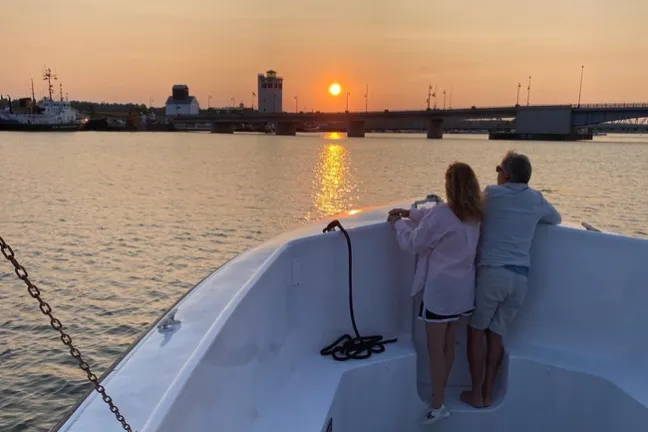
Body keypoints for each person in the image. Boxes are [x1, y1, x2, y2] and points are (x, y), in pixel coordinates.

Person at [460, 151, 561, 409]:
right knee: (497, 335)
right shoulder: (536, 199)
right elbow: (556, 219)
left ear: (505, 174)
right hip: (520, 278)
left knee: (476, 331)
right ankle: (488, 392)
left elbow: (470, 210)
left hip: (493, 273)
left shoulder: (492, 194)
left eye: (498, 170)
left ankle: (476, 394)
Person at [388, 162, 483, 425]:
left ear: (449, 186)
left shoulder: (442, 214)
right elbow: (435, 221)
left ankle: (438, 403)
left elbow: (413, 243)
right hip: (464, 291)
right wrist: (410, 213)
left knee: (434, 348)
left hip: (441, 293)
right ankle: (440, 394)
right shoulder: (475, 214)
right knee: (448, 344)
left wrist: (398, 223)